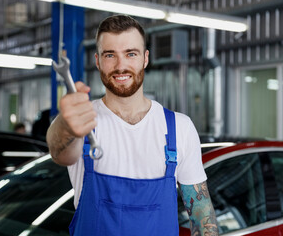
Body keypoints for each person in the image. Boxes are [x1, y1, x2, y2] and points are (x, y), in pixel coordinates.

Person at [47, 15, 218, 236]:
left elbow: (202, 217)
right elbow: (59, 152)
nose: (121, 66)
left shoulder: (179, 128)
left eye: (131, 54)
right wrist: (66, 124)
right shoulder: (84, 120)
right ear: (97, 60)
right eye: (110, 55)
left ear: (145, 58)